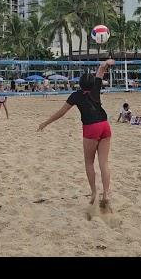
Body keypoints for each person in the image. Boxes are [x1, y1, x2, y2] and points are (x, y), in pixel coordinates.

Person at [38, 59, 116, 210]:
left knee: (89, 163)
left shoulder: (75, 95)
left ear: (80, 84)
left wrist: (46, 123)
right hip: (104, 125)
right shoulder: (96, 87)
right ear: (92, 83)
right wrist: (107, 62)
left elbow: (61, 113)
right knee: (104, 163)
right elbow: (101, 70)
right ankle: (106, 194)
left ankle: (94, 193)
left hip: (91, 127)